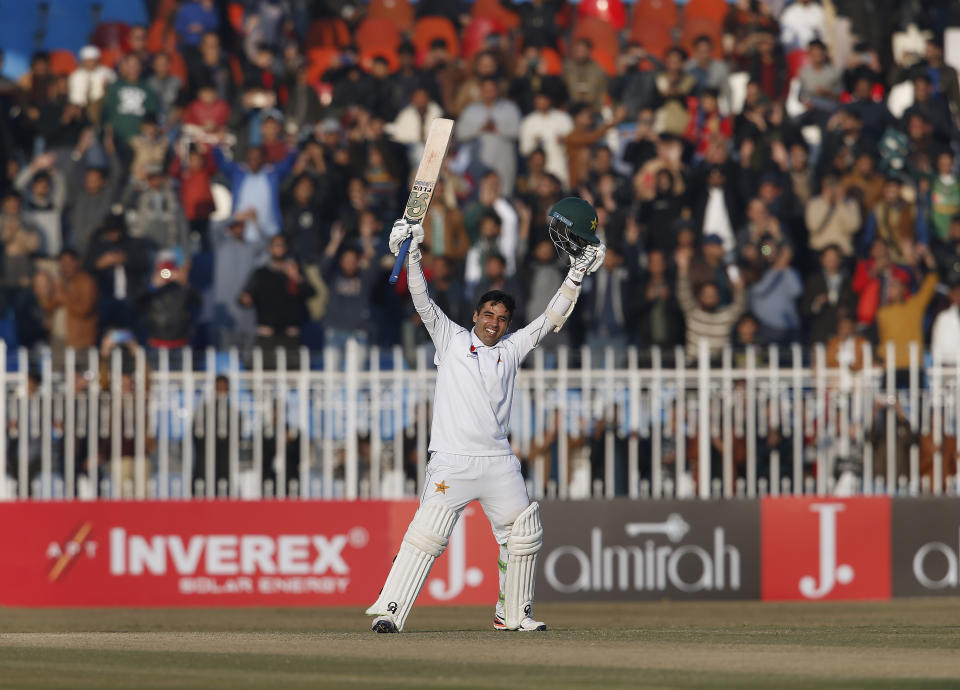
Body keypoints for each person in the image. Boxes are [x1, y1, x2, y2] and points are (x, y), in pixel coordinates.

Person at [367, 197, 606, 634]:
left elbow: (551, 318)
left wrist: (575, 274)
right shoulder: (451, 339)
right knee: (428, 535)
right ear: (475, 315)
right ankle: (390, 612)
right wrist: (413, 253)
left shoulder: (513, 348)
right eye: (488, 314)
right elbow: (422, 300)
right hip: (452, 461)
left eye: (502, 318)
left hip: (497, 461)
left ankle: (512, 614)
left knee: (523, 533)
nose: (494, 322)